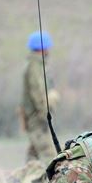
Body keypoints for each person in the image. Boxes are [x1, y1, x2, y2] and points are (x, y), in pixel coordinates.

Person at [20, 31, 60, 163]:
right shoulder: (35, 67)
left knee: (33, 155)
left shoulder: (38, 65)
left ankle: (23, 180)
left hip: (36, 116)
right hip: (37, 118)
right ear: (43, 48)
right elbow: (38, 94)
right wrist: (45, 116)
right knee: (50, 154)